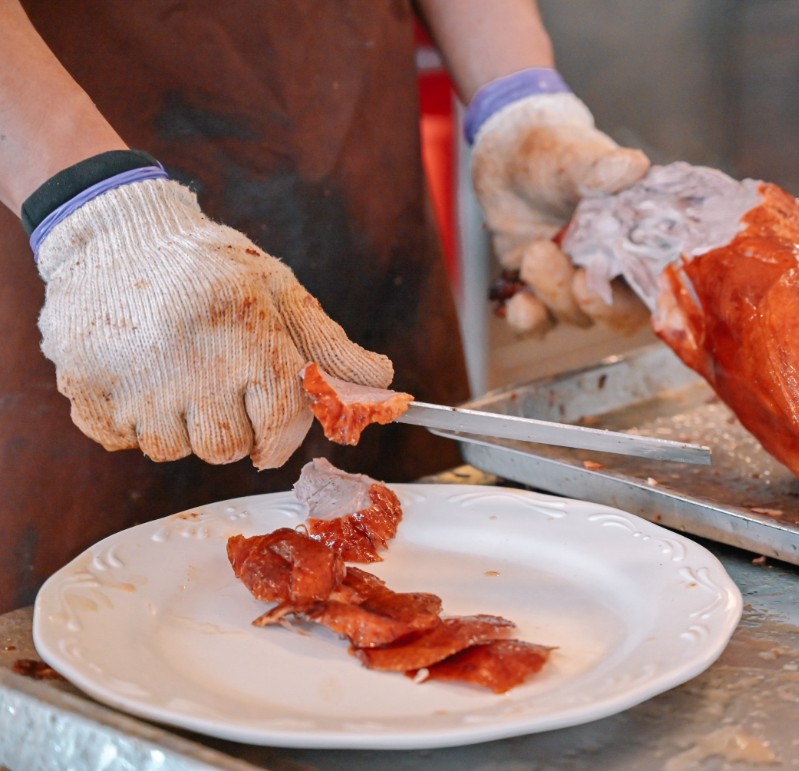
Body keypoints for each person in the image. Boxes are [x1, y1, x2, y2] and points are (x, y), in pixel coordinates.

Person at [0, 0, 650, 611]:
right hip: (66, 223)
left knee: (425, 603)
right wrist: (93, 211)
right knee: (88, 631)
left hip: (362, 199)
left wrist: (520, 107)